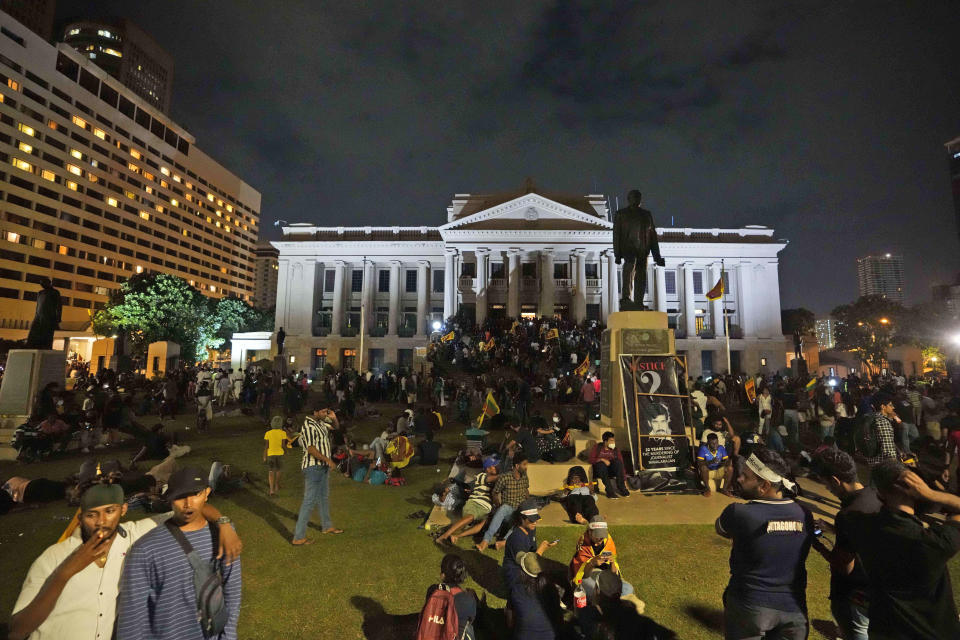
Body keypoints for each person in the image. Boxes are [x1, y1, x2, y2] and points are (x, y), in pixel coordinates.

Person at [10, 476, 240, 640]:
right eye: (92, 515)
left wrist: (224, 523)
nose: (101, 522)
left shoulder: (134, 537)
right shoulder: (53, 557)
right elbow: (18, 630)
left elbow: (189, 509)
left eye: (109, 511)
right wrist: (66, 572)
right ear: (80, 516)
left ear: (123, 510)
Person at [116, 467, 242, 639]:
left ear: (207, 493)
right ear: (170, 499)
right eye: (180, 496)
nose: (188, 504)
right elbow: (132, 619)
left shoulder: (223, 535)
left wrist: (228, 636)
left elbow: (232, 588)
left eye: (195, 494)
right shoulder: (144, 550)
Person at [841, 459, 960, 639]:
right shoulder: (935, 541)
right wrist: (931, 494)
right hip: (932, 633)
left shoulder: (859, 525)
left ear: (880, 493)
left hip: (885, 630)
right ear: (916, 491)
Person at [716, 447, 813, 639]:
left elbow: (722, 529)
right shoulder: (804, 514)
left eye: (745, 476)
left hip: (749, 606)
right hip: (794, 610)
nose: (739, 479)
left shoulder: (739, 513)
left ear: (764, 486)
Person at [811, 448, 880, 640]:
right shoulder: (875, 496)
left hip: (855, 594)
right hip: (879, 589)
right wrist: (833, 529)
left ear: (835, 480)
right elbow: (865, 536)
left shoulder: (848, 514)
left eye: (827, 485)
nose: (828, 490)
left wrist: (816, 544)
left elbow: (844, 566)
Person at [292, 405, 343, 545]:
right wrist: (328, 460)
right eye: (323, 411)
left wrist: (334, 418)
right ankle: (298, 537)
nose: (325, 413)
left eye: (326, 411)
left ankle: (327, 526)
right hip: (313, 467)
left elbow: (336, 428)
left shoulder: (320, 423)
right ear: (315, 412)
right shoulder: (308, 426)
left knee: (323, 498)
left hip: (322, 467)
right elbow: (310, 449)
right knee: (309, 502)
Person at [569, 515, 633, 604]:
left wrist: (612, 562)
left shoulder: (608, 541)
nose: (600, 539)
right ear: (590, 532)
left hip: (604, 575)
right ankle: (607, 602)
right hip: (589, 576)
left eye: (602, 536)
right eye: (597, 536)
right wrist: (592, 563)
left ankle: (606, 600)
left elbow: (614, 573)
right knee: (592, 589)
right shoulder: (583, 543)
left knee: (628, 588)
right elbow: (583, 575)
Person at [435, 459, 498, 545]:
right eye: (493, 466)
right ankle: (443, 537)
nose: (495, 468)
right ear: (487, 469)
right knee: (469, 517)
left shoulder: (494, 482)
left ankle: (457, 536)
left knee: (482, 524)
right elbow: (497, 477)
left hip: (486, 509)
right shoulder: (482, 475)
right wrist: (509, 474)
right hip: (476, 504)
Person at [476, 453, 530, 552]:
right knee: (504, 508)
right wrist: (499, 506)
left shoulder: (525, 477)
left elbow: (526, 490)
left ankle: (503, 542)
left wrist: (529, 504)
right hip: (507, 511)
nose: (526, 467)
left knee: (523, 518)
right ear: (517, 466)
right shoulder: (505, 477)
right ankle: (485, 541)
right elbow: (495, 493)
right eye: (524, 464)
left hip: (519, 511)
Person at [501, 498, 558, 588]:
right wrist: (542, 549)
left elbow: (533, 551)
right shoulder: (517, 538)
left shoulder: (531, 529)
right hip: (516, 576)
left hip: (525, 569)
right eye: (531, 520)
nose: (535, 523)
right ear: (522, 518)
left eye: (536, 519)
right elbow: (530, 566)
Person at [422, 554, 478, 640]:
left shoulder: (432, 591)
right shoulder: (468, 600)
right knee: (468, 627)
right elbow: (471, 619)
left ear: (443, 575)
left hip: (433, 635)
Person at [506, 552, 561, 639]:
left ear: (522, 571)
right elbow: (559, 618)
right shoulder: (552, 589)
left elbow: (510, 623)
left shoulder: (516, 590)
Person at [588, 432, 630, 499]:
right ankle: (610, 492)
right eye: (611, 440)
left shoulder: (615, 450)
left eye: (613, 440)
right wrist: (602, 459)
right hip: (600, 471)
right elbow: (590, 460)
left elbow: (621, 464)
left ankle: (622, 488)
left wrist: (624, 478)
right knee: (601, 465)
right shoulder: (597, 447)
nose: (613, 442)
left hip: (611, 471)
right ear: (605, 441)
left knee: (618, 462)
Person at [697, 432, 733, 497]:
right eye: (712, 443)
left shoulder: (721, 448)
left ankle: (724, 489)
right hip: (708, 472)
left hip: (718, 470)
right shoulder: (703, 448)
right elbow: (699, 463)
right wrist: (711, 462)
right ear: (708, 442)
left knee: (730, 468)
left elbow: (726, 460)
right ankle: (707, 489)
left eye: (716, 443)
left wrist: (727, 463)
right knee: (703, 468)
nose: (715, 445)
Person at [263, 415, 290, 496]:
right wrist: (286, 451)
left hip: (270, 454)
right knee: (279, 470)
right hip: (279, 454)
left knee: (271, 471)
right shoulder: (283, 433)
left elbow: (266, 446)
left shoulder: (268, 433)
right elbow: (283, 445)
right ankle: (277, 485)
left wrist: (264, 456)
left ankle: (271, 490)